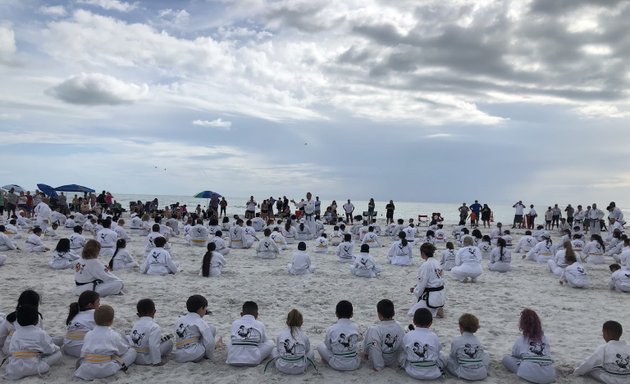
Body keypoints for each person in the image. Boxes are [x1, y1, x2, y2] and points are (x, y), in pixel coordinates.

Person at [74, 305, 136, 380]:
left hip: (87, 368)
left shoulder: (88, 334)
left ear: (95, 320)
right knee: (132, 352)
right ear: (111, 321)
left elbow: (83, 353)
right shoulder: (113, 335)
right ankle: (118, 367)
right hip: (105, 369)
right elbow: (122, 351)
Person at [3, 304, 62, 380]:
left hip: (15, 368)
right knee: (58, 353)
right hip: (34, 367)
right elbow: (49, 349)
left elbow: (12, 351)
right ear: (36, 320)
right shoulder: (40, 333)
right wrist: (57, 348)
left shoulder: (16, 333)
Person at [502, 308, 556, 384]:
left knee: (506, 358)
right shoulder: (545, 339)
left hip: (529, 375)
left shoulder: (521, 339)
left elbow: (514, 355)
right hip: (549, 376)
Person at [400, 308, 446, 380]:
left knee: (403, 354)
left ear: (414, 321)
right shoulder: (434, 336)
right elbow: (438, 350)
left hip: (413, 372)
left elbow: (404, 349)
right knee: (442, 354)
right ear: (430, 323)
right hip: (433, 373)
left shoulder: (408, 335)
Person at [226, 301, 274, 366]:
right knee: (271, 343)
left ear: (241, 314)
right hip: (253, 360)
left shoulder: (235, 323)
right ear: (257, 315)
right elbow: (263, 341)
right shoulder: (260, 324)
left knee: (230, 340)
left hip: (233, 359)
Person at [317, 300, 360, 371]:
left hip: (337, 364)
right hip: (354, 364)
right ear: (352, 314)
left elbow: (328, 347)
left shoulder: (331, 329)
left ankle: (325, 360)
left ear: (336, 314)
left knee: (320, 345)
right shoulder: (356, 326)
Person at [173, 295, 218, 363]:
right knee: (212, 329)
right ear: (201, 309)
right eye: (205, 308)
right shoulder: (199, 321)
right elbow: (210, 343)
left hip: (178, 356)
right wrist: (210, 356)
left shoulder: (179, 319)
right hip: (194, 354)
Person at [362, 299, 404, 371]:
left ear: (379, 314)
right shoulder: (399, 326)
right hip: (394, 360)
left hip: (382, 359)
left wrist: (378, 366)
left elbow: (375, 348)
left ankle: (365, 353)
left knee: (370, 334)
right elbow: (402, 346)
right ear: (393, 313)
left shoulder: (376, 329)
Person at [130, 299, 173, 366]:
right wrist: (157, 361)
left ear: (138, 314)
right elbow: (153, 346)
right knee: (169, 342)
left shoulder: (135, 325)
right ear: (154, 312)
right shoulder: (154, 327)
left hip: (135, 357)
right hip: (146, 358)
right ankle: (157, 359)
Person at [447, 313, 489, 381]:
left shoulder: (457, 340)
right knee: (486, 354)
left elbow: (453, 356)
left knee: (448, 359)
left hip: (463, 374)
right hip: (481, 374)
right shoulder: (477, 341)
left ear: (461, 327)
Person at [408, 243, 445, 318]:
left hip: (430, 296)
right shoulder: (437, 263)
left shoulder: (426, 265)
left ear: (422, 253)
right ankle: (436, 308)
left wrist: (415, 290)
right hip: (440, 295)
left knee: (411, 313)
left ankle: (435, 311)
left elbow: (421, 286)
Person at [0, 290, 43, 356]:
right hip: (32, 352)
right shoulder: (38, 318)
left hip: (9, 351)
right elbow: (41, 336)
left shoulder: (11, 318)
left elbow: (1, 337)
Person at [271, 309, 313, 375]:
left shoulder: (281, 334)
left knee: (274, 350)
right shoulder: (304, 336)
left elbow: (279, 350)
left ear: (287, 322)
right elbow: (307, 350)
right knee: (311, 352)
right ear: (301, 322)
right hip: (299, 368)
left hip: (282, 367)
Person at [62, 291, 100, 357]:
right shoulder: (95, 313)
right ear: (90, 305)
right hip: (82, 349)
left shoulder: (75, 313)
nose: (99, 304)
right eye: (98, 302)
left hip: (67, 348)